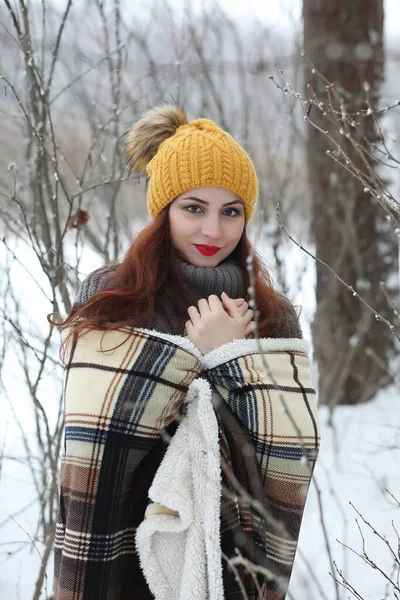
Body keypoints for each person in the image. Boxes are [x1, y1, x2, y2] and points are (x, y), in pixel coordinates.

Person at [51, 105, 321, 600]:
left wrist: (232, 360)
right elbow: (95, 439)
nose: (213, 232)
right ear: (164, 210)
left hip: (230, 552)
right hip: (123, 545)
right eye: (194, 208)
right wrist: (192, 358)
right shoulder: (114, 296)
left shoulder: (272, 313)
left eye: (231, 211)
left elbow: (287, 459)